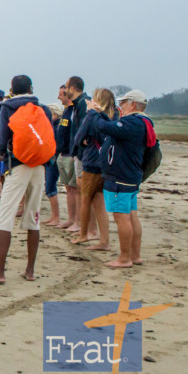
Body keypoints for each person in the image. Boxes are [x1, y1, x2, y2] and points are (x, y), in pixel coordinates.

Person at [0, 75, 52, 285]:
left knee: (5, 215)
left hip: (18, 164)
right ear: (31, 88)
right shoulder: (42, 108)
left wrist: (0, 152)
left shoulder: (7, 107)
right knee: (33, 216)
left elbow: (2, 135)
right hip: (39, 164)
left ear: (12, 89)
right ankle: (30, 270)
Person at [90, 89, 150, 268]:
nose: (119, 106)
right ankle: (135, 255)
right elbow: (113, 128)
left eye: (123, 102)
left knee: (121, 217)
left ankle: (124, 258)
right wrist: (101, 114)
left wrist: (93, 112)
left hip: (121, 177)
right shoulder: (141, 122)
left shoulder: (133, 122)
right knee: (131, 216)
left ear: (133, 104)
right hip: (130, 175)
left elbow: (103, 127)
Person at [71, 88, 118, 249]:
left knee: (86, 200)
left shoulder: (93, 117)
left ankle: (83, 235)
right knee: (99, 202)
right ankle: (105, 240)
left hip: (92, 163)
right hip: (106, 163)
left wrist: (90, 113)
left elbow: (78, 138)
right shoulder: (113, 116)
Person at [51, 85, 79, 228]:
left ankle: (77, 221)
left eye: (61, 94)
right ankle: (70, 219)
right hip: (62, 153)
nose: (58, 97)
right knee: (68, 188)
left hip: (71, 154)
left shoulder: (75, 110)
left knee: (74, 189)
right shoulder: (66, 111)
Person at [66, 76, 90, 233]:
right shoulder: (77, 104)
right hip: (77, 152)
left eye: (66, 87)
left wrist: (79, 152)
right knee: (78, 189)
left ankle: (82, 226)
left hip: (83, 154)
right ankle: (79, 224)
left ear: (72, 88)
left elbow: (84, 130)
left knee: (83, 191)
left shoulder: (83, 104)